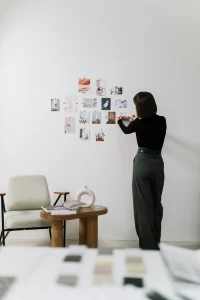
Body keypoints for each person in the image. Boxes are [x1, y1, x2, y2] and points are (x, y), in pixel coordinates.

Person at [117, 92, 167, 250]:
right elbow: (151, 125)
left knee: (142, 207)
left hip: (142, 163)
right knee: (155, 205)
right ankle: (156, 245)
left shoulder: (138, 123)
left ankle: (147, 247)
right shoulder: (162, 120)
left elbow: (125, 130)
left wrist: (119, 120)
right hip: (157, 163)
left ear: (139, 108)